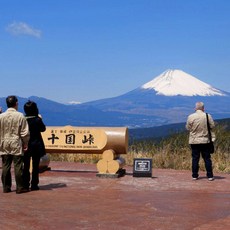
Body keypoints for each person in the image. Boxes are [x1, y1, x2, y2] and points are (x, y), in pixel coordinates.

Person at [0, 96, 30, 193]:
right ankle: (20, 187)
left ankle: (6, 187)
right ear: (16, 103)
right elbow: (24, 133)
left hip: (4, 142)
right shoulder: (20, 116)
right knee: (18, 165)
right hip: (16, 142)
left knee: (5, 165)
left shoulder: (1, 116)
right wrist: (25, 143)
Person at [186, 102, 215, 181]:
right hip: (205, 141)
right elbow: (212, 126)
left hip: (194, 141)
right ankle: (210, 176)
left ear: (195, 108)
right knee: (207, 158)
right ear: (203, 108)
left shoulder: (191, 116)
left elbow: (188, 128)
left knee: (195, 158)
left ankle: (194, 175)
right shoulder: (207, 116)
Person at [23, 100, 46, 191]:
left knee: (26, 165)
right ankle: (34, 184)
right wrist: (40, 119)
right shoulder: (37, 120)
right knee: (35, 165)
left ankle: (25, 184)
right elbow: (43, 129)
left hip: (26, 144)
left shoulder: (23, 120)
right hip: (36, 145)